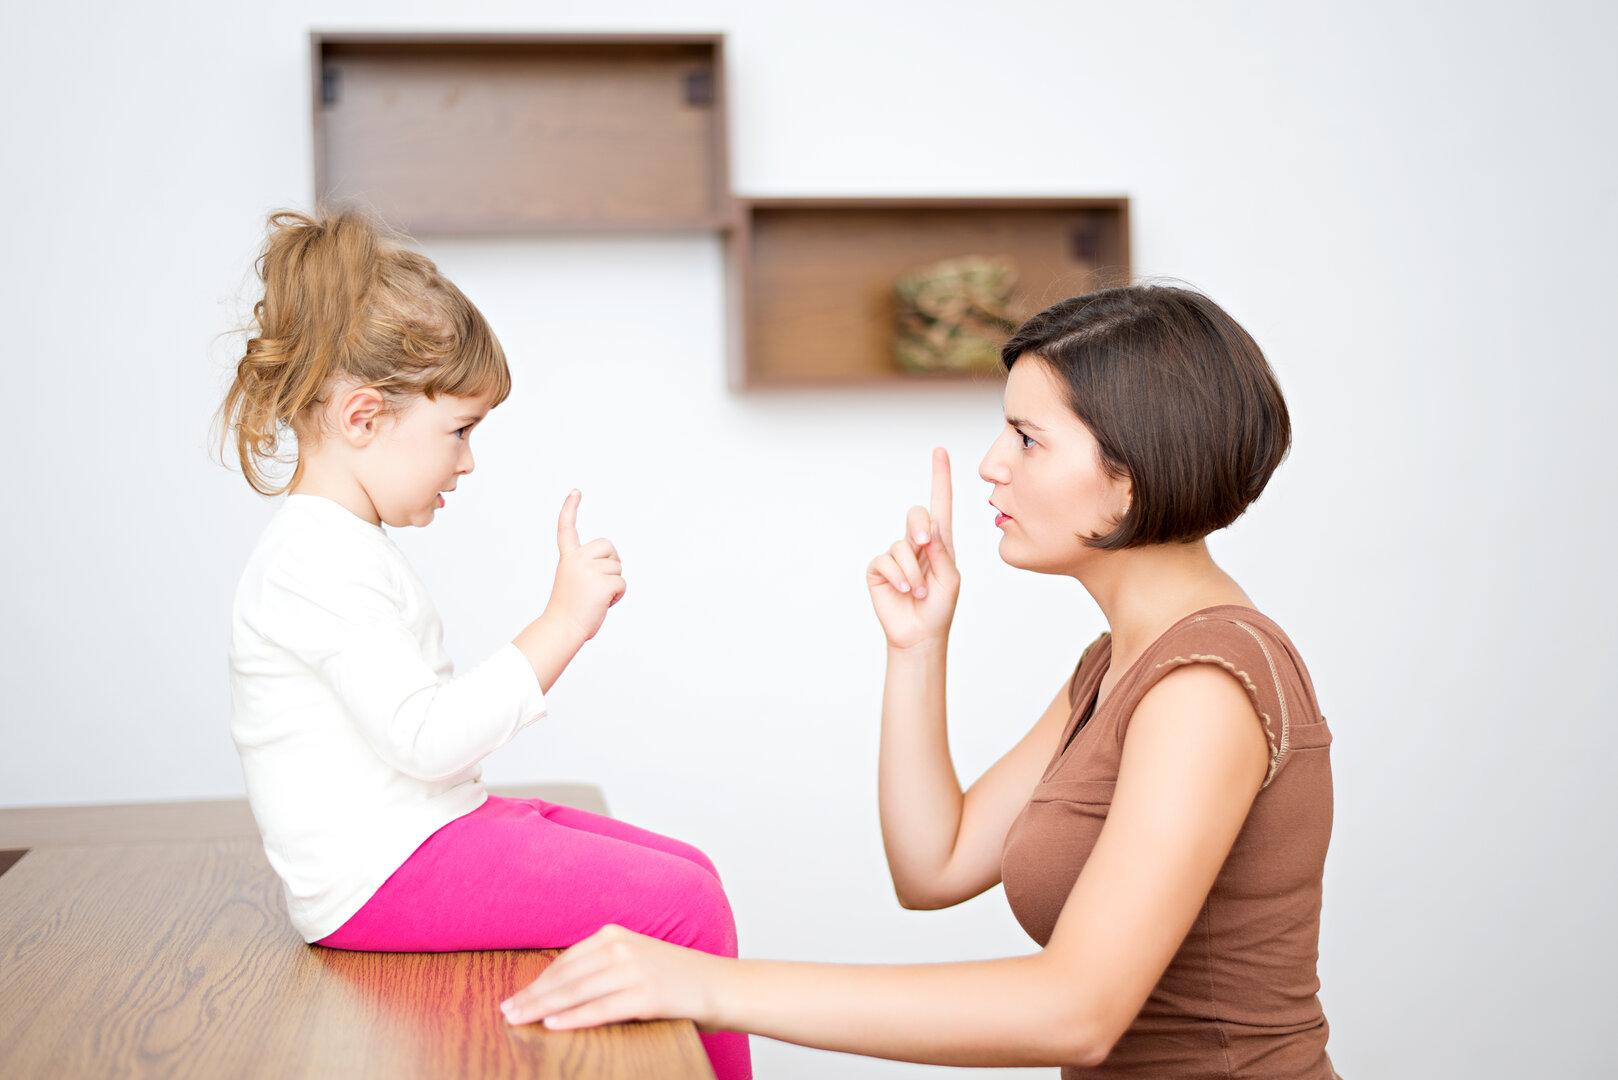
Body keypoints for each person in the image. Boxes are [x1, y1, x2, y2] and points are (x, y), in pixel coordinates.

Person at [501, 284, 1339, 1078]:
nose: (990, 465)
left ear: (1128, 478)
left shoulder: (1204, 686)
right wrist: (917, 646)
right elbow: (933, 866)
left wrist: (709, 984)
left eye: (1026, 438)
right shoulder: (1119, 663)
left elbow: (1076, 1009)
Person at [217, 208, 750, 1080]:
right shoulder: (314, 562)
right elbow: (426, 742)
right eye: (458, 432)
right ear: (362, 417)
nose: (466, 464)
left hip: (417, 838)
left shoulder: (334, 546)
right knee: (685, 903)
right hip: (378, 877)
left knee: (689, 871)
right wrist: (561, 624)